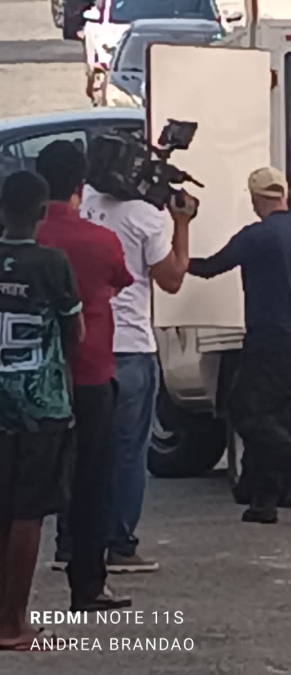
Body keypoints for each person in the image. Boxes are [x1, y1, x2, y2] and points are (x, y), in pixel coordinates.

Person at [189, 167, 291, 524]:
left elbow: (212, 267)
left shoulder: (256, 236)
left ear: (256, 198)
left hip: (268, 337)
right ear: (284, 194)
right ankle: (264, 500)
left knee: (246, 411)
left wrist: (175, 264)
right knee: (275, 416)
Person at [79, 148, 198, 573]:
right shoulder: (146, 218)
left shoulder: (86, 205)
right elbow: (171, 279)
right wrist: (181, 223)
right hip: (130, 346)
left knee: (84, 449)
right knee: (129, 452)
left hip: (85, 344)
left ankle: (69, 545)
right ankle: (121, 545)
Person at [35, 141, 135, 610]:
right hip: (91, 371)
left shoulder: (25, 237)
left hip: (30, 374)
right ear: (80, 186)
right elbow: (119, 281)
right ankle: (87, 585)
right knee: (92, 478)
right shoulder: (100, 240)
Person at [0, 171, 83, 650]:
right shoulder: (53, 264)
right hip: (40, 402)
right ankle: (13, 622)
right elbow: (76, 335)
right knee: (28, 513)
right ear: (40, 213)